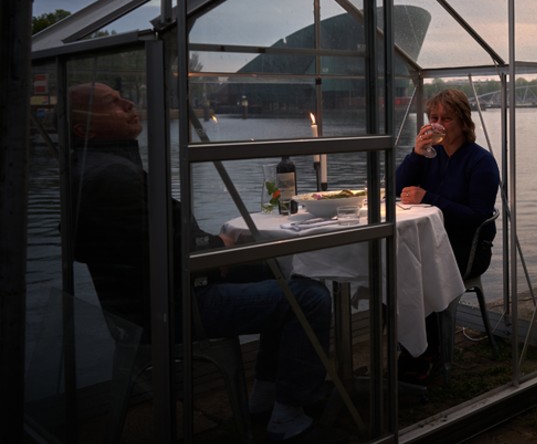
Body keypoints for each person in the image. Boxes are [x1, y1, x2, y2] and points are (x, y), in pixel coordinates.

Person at [68, 83, 335, 443]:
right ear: (85, 129)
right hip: (174, 308)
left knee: (275, 269)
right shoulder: (113, 177)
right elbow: (160, 249)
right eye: (113, 104)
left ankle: (267, 395)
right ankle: (289, 415)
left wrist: (210, 250)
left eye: (122, 97)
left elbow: (150, 242)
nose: (129, 104)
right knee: (310, 297)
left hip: (154, 297)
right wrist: (213, 253)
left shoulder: (97, 168)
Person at [395, 88, 500, 383]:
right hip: (427, 242)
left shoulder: (481, 162)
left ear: (463, 121)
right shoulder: (430, 155)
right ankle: (410, 345)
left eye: (446, 118)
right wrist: (416, 155)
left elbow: (477, 216)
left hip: (468, 247)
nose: (437, 125)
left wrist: (430, 197)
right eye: (433, 117)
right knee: (393, 266)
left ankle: (426, 353)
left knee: (415, 269)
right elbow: (395, 189)